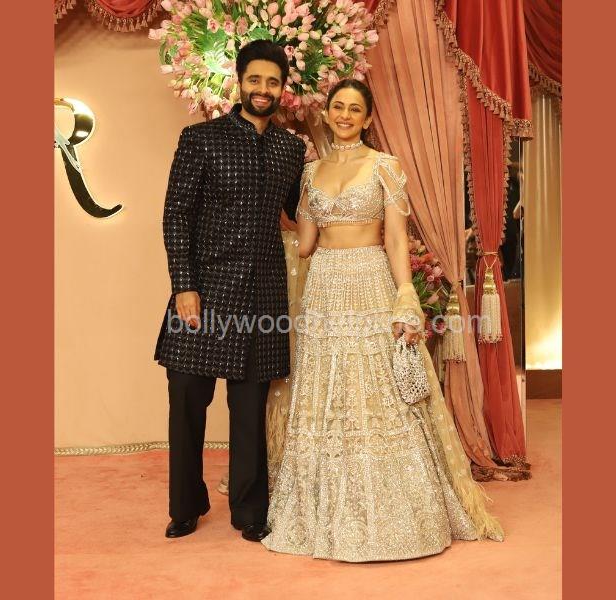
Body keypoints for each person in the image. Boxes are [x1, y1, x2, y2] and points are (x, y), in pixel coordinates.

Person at [262, 79, 505, 562]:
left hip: (370, 281)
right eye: (338, 106)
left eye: (355, 108)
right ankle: (323, 514)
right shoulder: (309, 172)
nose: (345, 115)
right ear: (326, 114)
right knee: (326, 390)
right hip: (324, 289)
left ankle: (396, 517)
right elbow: (305, 244)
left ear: (368, 117)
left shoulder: (385, 166)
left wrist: (406, 295)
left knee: (379, 389)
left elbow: (395, 238)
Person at [153, 40, 305, 542]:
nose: (263, 89)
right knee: (186, 402)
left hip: (262, 295)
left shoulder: (290, 149)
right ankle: (185, 505)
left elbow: (297, 214)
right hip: (204, 291)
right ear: (238, 82)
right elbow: (176, 215)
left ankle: (249, 509)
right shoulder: (201, 139)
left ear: (283, 89)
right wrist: (184, 286)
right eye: (255, 79)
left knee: (249, 412)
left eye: (273, 82)